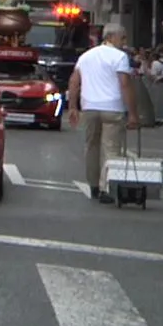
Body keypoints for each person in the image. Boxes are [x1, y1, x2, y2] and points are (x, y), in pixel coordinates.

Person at [66, 23, 139, 204]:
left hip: (89, 107)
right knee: (111, 149)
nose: (124, 42)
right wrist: (133, 113)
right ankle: (107, 187)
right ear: (112, 37)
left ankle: (93, 186)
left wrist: (73, 107)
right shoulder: (120, 57)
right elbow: (125, 84)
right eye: (123, 38)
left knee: (91, 147)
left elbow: (74, 82)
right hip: (112, 109)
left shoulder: (86, 56)